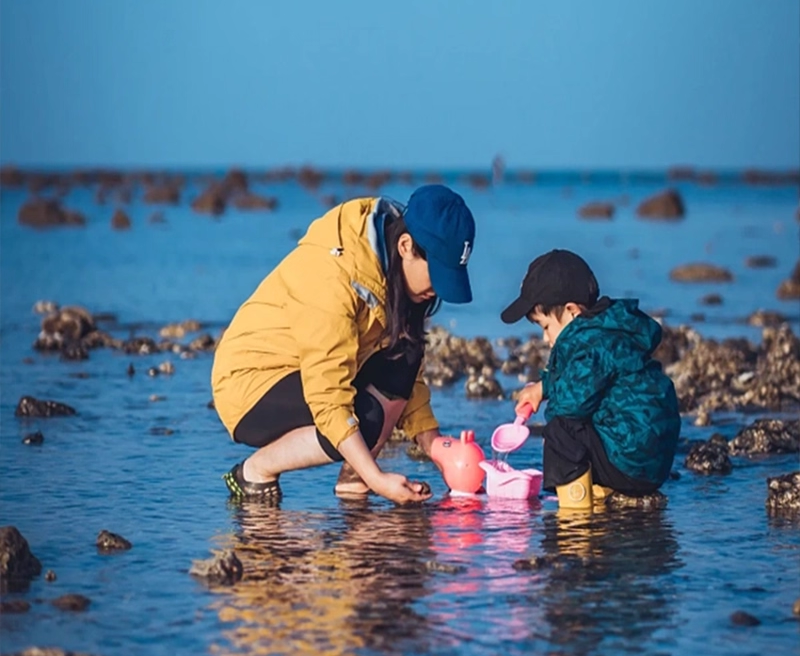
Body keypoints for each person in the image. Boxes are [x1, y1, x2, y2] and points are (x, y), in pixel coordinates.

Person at [212, 184, 476, 506]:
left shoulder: (394, 271)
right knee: (364, 419)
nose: (437, 290)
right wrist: (378, 479)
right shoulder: (334, 276)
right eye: (437, 275)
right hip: (249, 386)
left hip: (305, 373)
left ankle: (353, 486)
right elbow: (329, 399)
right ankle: (255, 471)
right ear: (406, 245)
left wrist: (436, 446)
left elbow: (406, 373)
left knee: (406, 353)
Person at [500, 249, 681, 509]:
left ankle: (576, 518)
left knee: (561, 429)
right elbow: (585, 383)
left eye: (545, 327)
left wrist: (546, 388)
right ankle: (600, 487)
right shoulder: (610, 332)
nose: (545, 338)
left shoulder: (589, 343)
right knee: (590, 416)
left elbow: (570, 403)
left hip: (628, 461)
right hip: (653, 463)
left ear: (572, 311)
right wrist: (545, 386)